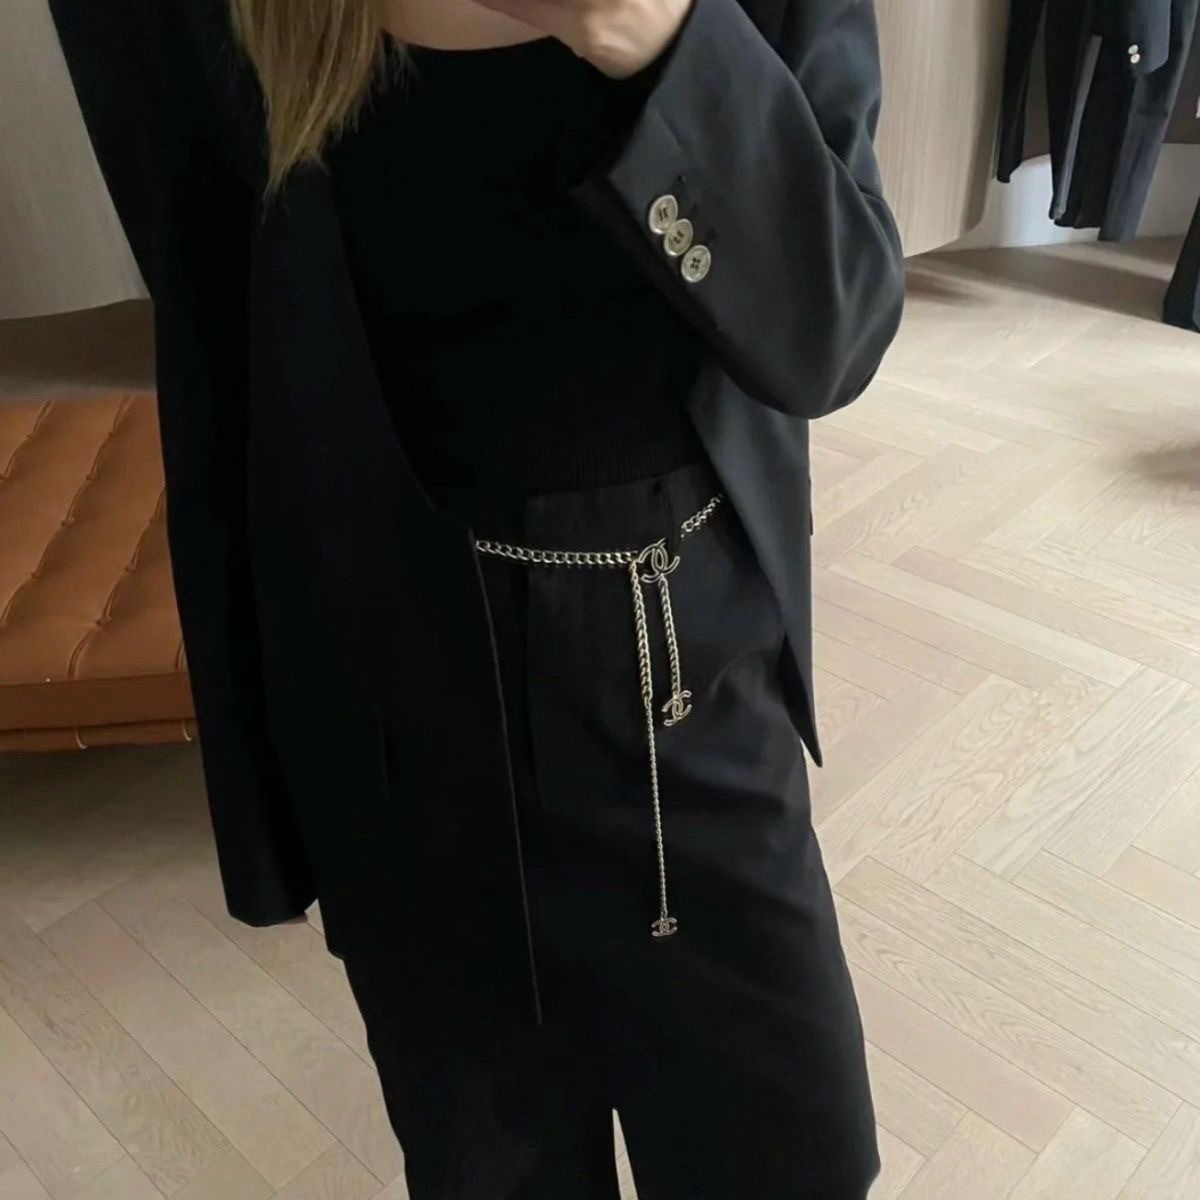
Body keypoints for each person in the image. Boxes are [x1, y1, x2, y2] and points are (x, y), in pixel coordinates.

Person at [50, 0, 905, 1194]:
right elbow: (218, 337)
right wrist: (275, 791)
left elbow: (835, 324)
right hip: (394, 719)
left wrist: (653, 34)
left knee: (789, 1164)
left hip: (686, 693)